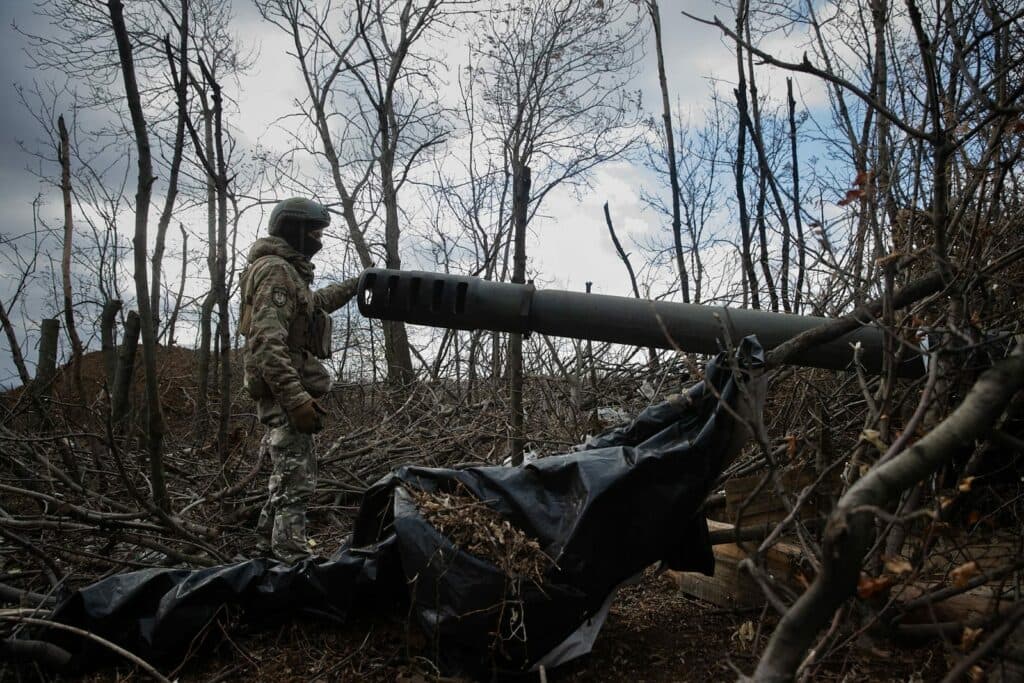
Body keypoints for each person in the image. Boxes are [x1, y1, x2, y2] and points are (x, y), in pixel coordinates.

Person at [238, 197, 359, 563]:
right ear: (294, 229)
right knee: (297, 481)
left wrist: (356, 285)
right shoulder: (276, 271)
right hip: (283, 392)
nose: (319, 237)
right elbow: (267, 344)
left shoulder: (287, 273)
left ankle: (264, 549)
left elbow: (313, 303)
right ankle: (291, 561)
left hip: (284, 390)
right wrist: (296, 400)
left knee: (285, 476)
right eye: (315, 230)